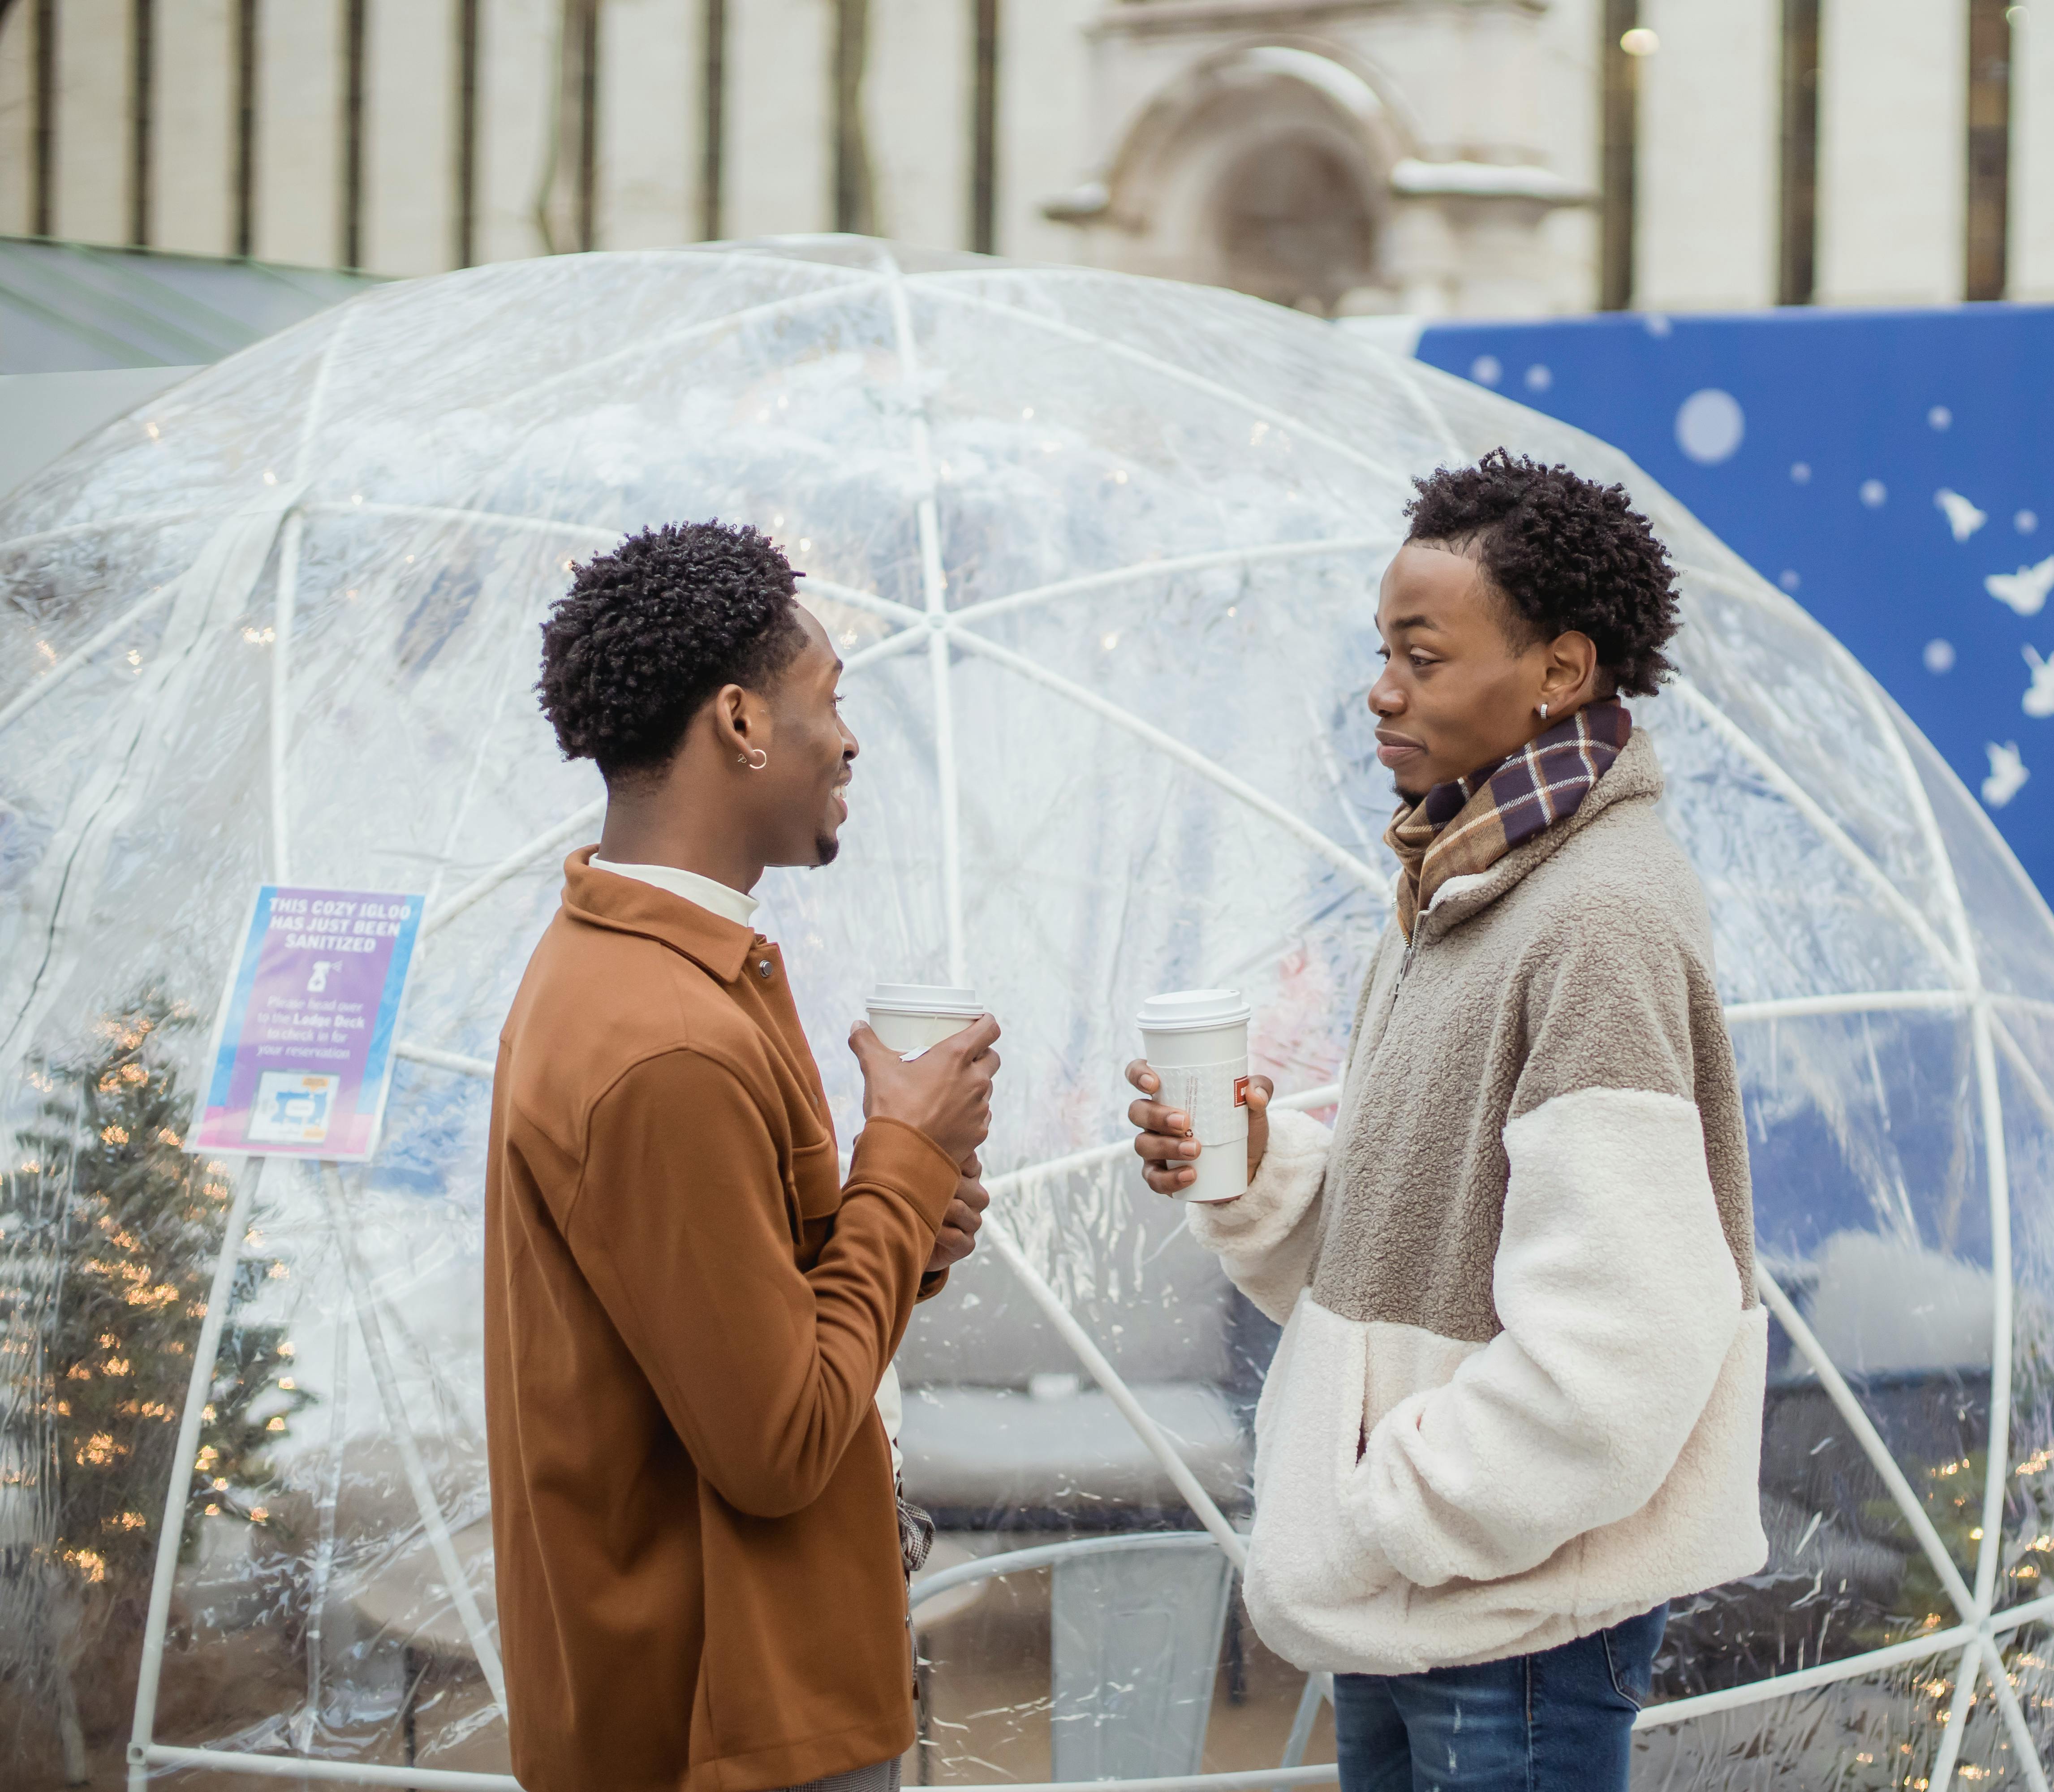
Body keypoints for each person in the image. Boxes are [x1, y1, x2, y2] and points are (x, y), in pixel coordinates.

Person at [1124, 451, 1765, 1791]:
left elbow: (1629, 1342)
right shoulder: (1459, 880)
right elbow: (1422, 1232)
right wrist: (1252, 1169)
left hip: (1506, 1620)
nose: (1382, 687)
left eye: (1421, 654)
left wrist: (1389, 1510)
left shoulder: (1595, 921)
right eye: (1381, 649)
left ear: (1560, 671)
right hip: (1427, 1598)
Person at [483, 522, 998, 1792]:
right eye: (829, 699)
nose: (851, 738)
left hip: (734, 1698)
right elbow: (774, 1446)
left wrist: (899, 1218)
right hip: (731, 1722)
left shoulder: (641, 971)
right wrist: (898, 1165)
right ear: (739, 722)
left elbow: (725, 1329)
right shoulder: (669, 1044)